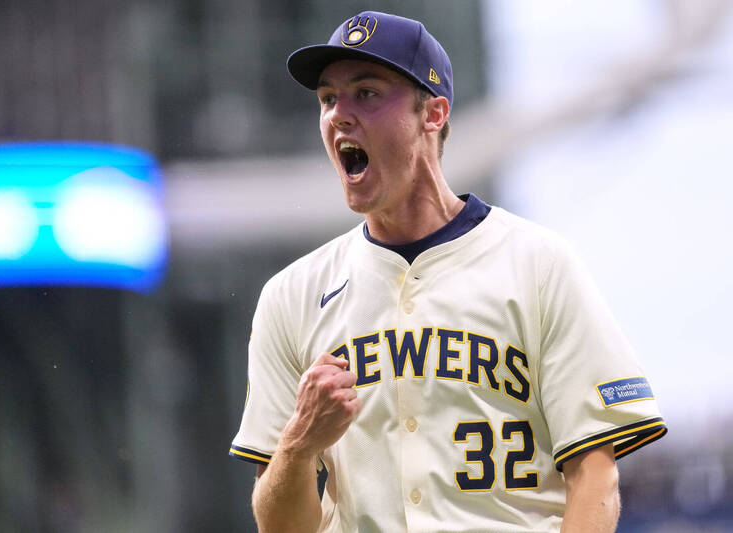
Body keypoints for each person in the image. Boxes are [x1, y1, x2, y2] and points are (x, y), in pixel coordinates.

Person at [229, 10, 666, 533]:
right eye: (328, 99)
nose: (339, 115)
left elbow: (595, 477)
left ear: (433, 114)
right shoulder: (291, 295)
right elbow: (281, 527)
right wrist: (299, 444)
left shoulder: (538, 263)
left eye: (366, 93)